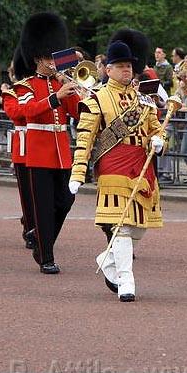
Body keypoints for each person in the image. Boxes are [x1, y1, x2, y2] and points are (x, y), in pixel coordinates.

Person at [70, 34, 166, 302]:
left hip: (141, 165)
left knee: (140, 226)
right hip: (113, 165)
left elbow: (156, 131)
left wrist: (159, 142)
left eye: (129, 65)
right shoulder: (97, 100)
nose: (127, 70)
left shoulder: (144, 101)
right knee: (122, 226)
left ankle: (107, 258)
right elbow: (85, 139)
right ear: (108, 69)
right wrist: (78, 173)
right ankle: (126, 279)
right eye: (121, 65)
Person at [17, 12, 82, 274]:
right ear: (37, 59)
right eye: (48, 57)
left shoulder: (63, 83)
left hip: (61, 152)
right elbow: (26, 111)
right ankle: (46, 256)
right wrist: (56, 97)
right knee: (43, 207)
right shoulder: (25, 86)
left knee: (65, 201)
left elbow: (78, 113)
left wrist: (74, 91)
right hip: (39, 151)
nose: (52, 62)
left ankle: (40, 239)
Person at [2, 45, 36, 249]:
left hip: (43, 146)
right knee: (27, 192)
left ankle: (36, 224)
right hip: (23, 147)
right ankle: (29, 225)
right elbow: (17, 113)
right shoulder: (14, 92)